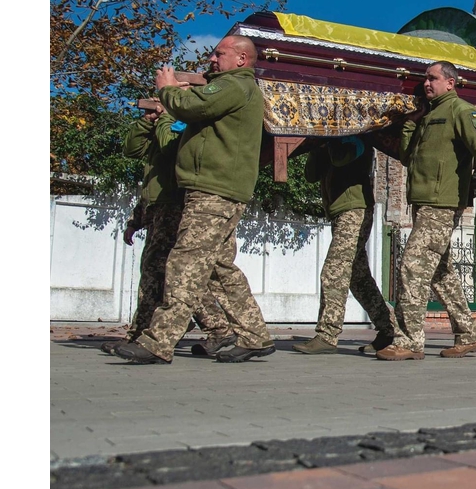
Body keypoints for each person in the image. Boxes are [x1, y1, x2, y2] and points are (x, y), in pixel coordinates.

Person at [111, 35, 274, 364]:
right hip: (217, 189)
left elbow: (191, 106)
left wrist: (168, 89)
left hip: (214, 189)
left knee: (184, 264)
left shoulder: (235, 85)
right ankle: (255, 335)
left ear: (242, 59)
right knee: (218, 267)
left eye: (220, 53)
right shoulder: (232, 87)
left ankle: (158, 341)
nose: (212, 59)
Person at [377, 61, 476, 360]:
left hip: (442, 203)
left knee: (413, 263)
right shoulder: (428, 116)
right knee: (441, 273)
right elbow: (408, 157)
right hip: (423, 203)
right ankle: (470, 333)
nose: (426, 83)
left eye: (433, 78)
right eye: (424, 79)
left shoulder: (461, 111)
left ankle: (408, 341)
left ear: (451, 83)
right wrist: (410, 122)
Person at [103, 111, 234, 357]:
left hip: (176, 205)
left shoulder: (185, 122)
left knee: (170, 274)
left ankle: (149, 333)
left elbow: (168, 148)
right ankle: (212, 327)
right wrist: (146, 122)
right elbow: (132, 151)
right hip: (158, 207)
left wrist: (164, 119)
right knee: (168, 274)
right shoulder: (163, 124)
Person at [292, 137, 396, 354]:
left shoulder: (358, 139)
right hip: (340, 211)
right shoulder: (326, 141)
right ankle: (390, 330)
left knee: (334, 271)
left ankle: (327, 335)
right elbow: (310, 175)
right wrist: (316, 146)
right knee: (358, 279)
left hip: (355, 210)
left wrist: (328, 141)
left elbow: (341, 158)